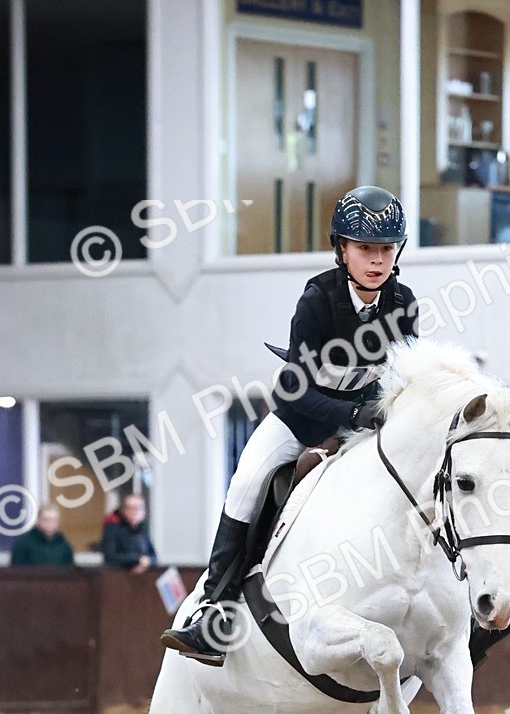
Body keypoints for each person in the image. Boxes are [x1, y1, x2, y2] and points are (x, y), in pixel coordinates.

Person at [161, 185, 419, 667]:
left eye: (387, 249)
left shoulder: (402, 303)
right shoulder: (318, 300)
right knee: (246, 483)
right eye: (365, 248)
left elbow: (406, 375)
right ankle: (214, 615)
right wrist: (350, 414)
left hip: (361, 430)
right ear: (342, 249)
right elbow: (296, 390)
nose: (377, 260)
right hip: (299, 420)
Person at [101, 493, 157, 574]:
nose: (134, 512)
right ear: (124, 511)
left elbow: (154, 557)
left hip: (144, 576)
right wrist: (138, 559)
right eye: (130, 508)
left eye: (138, 508)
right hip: (119, 575)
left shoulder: (143, 530)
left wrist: (148, 561)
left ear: (144, 511)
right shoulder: (112, 529)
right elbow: (110, 557)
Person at [10, 504, 74, 566]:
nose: (50, 523)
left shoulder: (64, 545)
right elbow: (16, 570)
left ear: (58, 522)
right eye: (46, 519)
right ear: (39, 520)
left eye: (53, 520)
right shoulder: (23, 544)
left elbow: (70, 569)